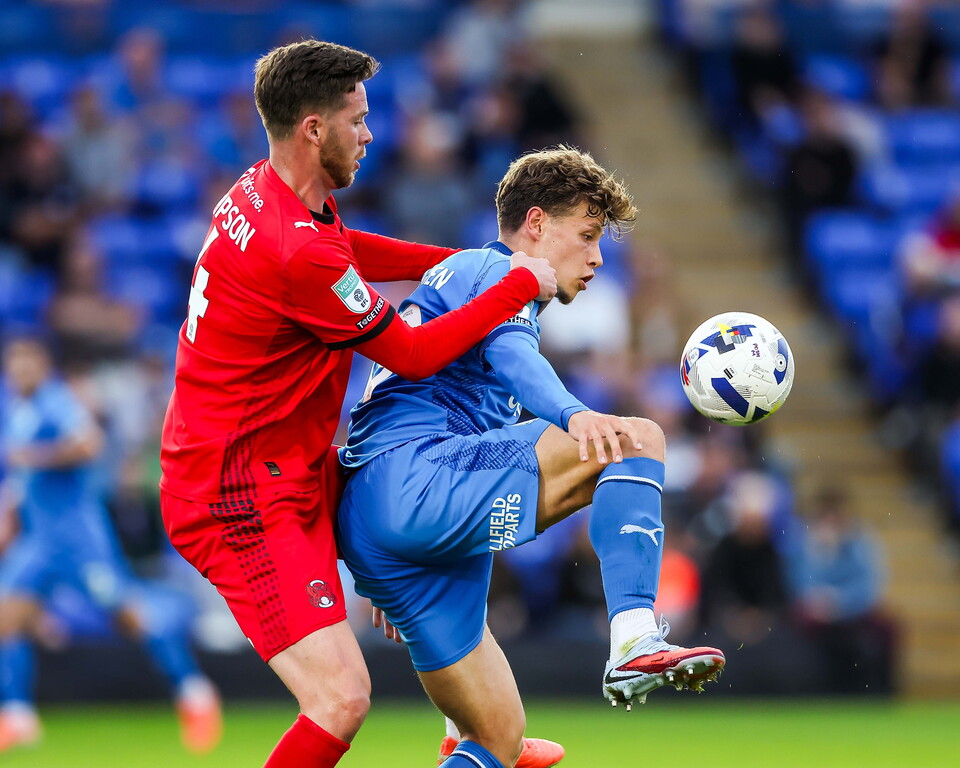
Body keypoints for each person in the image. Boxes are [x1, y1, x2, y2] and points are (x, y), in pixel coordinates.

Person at [158, 39, 559, 768]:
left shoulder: (268, 193)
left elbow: (350, 249)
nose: (371, 134)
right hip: (238, 493)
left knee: (396, 538)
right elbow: (410, 353)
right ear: (315, 128)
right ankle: (483, 731)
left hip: (285, 464)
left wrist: (464, 265)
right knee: (339, 699)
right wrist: (513, 288)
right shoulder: (294, 249)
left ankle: (484, 732)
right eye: (358, 119)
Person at [338, 146, 726, 768]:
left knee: (499, 741)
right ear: (537, 224)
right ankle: (631, 637)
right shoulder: (496, 273)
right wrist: (578, 415)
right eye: (588, 235)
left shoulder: (458, 277)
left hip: (379, 515)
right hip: (418, 476)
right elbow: (518, 363)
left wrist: (388, 558)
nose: (599, 257)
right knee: (635, 440)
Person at [0, 336, 222, 755]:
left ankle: (194, 693)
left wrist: (34, 457)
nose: (21, 370)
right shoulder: (17, 411)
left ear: (43, 365)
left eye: (28, 361)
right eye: (14, 362)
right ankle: (17, 717)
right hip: (39, 542)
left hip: (81, 542)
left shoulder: (55, 402)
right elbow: (21, 480)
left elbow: (89, 444)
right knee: (6, 619)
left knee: (129, 617)